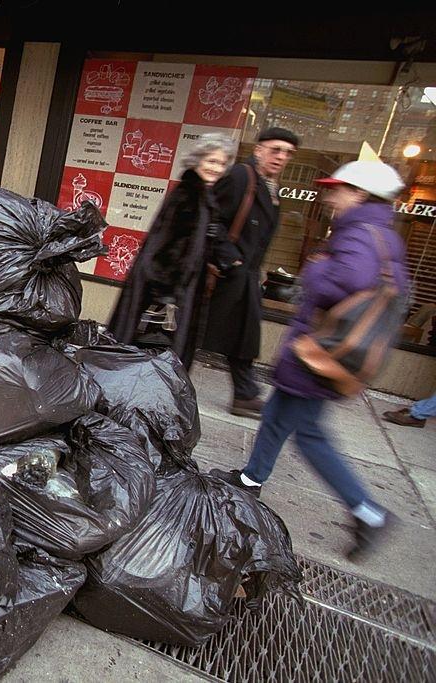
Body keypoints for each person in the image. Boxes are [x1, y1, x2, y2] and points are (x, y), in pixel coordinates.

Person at [210, 160, 410, 561]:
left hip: (322, 352)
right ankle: (251, 479)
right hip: (327, 350)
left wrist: (315, 272)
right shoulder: (382, 234)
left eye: (338, 190)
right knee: (278, 413)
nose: (330, 196)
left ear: (359, 194)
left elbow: (346, 281)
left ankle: (368, 512)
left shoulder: (359, 234)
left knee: (310, 435)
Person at [108, 133, 236, 369]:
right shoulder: (189, 194)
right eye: (211, 161)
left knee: (149, 357)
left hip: (175, 288)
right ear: (197, 160)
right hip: (165, 290)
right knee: (151, 356)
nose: (216, 168)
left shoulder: (203, 194)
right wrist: (165, 296)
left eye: (221, 163)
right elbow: (166, 247)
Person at [201, 127, 300, 418]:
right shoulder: (241, 176)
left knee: (244, 335)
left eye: (287, 153)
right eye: (275, 149)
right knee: (192, 331)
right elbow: (210, 216)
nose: (281, 157)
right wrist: (231, 260)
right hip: (223, 274)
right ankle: (158, 377)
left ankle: (245, 394)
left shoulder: (269, 185)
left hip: (244, 276)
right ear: (259, 150)